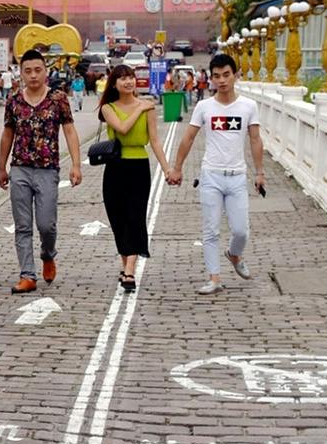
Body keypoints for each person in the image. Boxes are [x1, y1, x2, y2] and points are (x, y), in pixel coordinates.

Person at [167, 53, 263, 295]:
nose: (222, 81)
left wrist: (260, 172)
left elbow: (255, 140)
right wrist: (177, 167)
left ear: (236, 75)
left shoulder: (248, 106)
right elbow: (188, 137)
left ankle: (234, 253)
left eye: (227, 75)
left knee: (241, 230)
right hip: (211, 175)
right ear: (211, 79)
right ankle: (214, 278)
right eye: (217, 76)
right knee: (211, 230)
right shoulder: (204, 107)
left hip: (237, 176)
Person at [0, 48, 83, 293]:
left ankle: (47, 254)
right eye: (28, 71)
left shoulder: (58, 99)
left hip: (48, 169)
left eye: (38, 70)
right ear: (21, 73)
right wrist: (1, 167)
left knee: (46, 224)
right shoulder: (13, 100)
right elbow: (7, 134)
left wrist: (75, 164)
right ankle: (27, 274)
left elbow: (69, 130)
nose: (33, 75)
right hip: (20, 169)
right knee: (22, 224)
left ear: (46, 72)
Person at [97, 64, 168, 293]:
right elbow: (122, 128)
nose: (128, 82)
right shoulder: (108, 108)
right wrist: (140, 107)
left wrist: (166, 169)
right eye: (122, 79)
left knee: (135, 216)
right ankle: (124, 263)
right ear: (114, 84)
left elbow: (155, 141)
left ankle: (130, 270)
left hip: (138, 166)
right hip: (115, 167)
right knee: (117, 218)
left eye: (131, 78)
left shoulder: (148, 109)